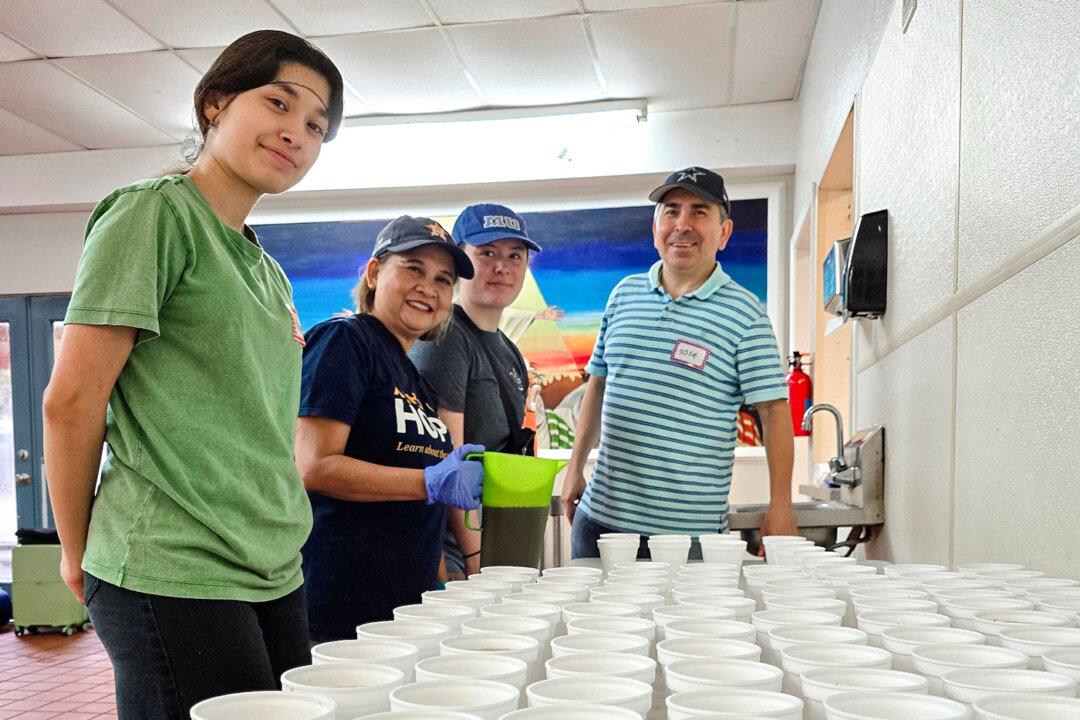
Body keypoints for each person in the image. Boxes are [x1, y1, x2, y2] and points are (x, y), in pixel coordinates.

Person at [42, 30, 344, 718]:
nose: (295, 132)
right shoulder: (156, 212)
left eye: (316, 126)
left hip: (270, 566)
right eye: (278, 103)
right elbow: (71, 400)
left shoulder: (263, 266)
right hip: (173, 564)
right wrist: (76, 551)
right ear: (215, 103)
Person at [561, 166, 799, 558]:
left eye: (699, 212)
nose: (682, 224)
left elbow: (774, 413)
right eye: (671, 211)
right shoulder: (623, 295)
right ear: (655, 228)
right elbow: (598, 387)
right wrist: (575, 467)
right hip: (600, 525)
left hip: (688, 537)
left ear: (724, 233)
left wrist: (781, 506)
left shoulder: (746, 313)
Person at [297, 215, 485, 642]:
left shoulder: (416, 381)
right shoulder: (345, 342)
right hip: (343, 600)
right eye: (413, 269)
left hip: (406, 603)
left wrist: (440, 586)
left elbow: (421, 515)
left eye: (443, 280)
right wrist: (430, 482)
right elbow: (313, 466)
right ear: (374, 271)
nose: (428, 288)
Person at [410, 203, 543, 578]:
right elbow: (449, 462)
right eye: (486, 253)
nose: (502, 267)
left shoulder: (509, 350)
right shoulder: (447, 336)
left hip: (490, 534)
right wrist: (475, 561)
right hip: (453, 547)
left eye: (515, 256)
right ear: (460, 265)